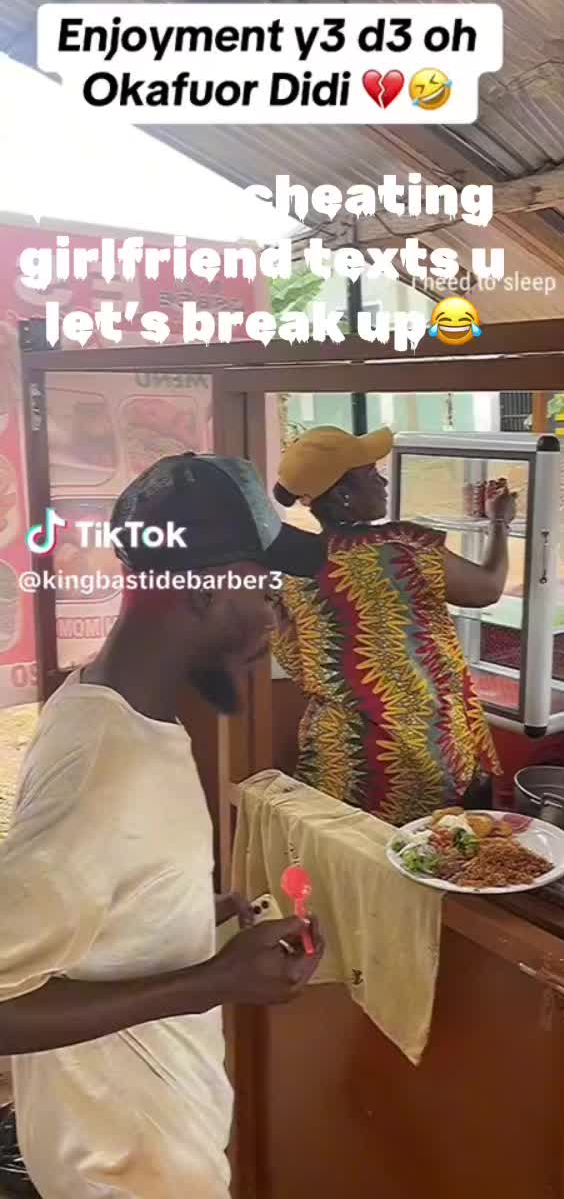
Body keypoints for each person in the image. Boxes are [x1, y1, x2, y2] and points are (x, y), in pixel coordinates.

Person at [0, 452, 325, 1199]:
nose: (275, 618)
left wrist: (172, 915)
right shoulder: (109, 772)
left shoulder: (102, 703)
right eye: (266, 589)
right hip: (120, 1175)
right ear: (204, 592)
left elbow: (84, 888)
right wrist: (217, 979)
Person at [271, 425, 517, 826]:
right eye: (371, 474)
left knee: (349, 856)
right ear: (343, 494)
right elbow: (487, 587)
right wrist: (500, 523)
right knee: (424, 853)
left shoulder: (293, 566)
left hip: (337, 756)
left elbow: (296, 660)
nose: (383, 481)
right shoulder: (402, 548)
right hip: (419, 754)